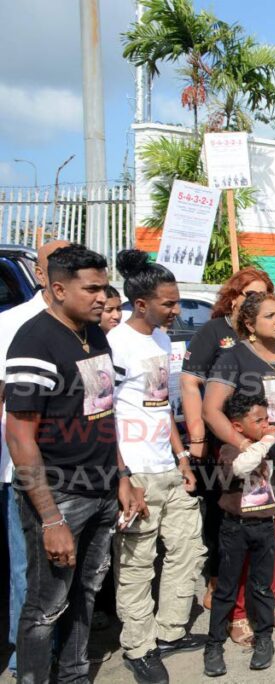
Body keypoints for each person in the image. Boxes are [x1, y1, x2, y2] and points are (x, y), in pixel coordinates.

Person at [5, 244, 145, 683]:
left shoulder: (94, 333)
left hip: (103, 489)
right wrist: (50, 520)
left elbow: (105, 413)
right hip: (59, 495)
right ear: (59, 288)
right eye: (92, 289)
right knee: (45, 607)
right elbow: (19, 436)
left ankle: (74, 674)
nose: (103, 297)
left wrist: (121, 475)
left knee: (86, 592)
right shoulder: (34, 340)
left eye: (105, 287)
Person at [108, 250, 207, 683]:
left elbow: (161, 405)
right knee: (136, 563)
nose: (177, 310)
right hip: (136, 473)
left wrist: (182, 455)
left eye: (177, 301)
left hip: (167, 468)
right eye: (169, 303)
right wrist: (123, 475)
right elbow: (101, 414)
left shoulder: (164, 340)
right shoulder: (113, 344)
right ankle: (139, 646)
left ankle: (168, 632)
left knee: (188, 549)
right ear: (142, 304)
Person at [203, 292, 275, 640]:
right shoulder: (233, 358)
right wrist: (244, 446)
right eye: (269, 316)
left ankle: (266, 607)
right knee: (243, 539)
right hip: (251, 467)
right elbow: (211, 409)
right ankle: (237, 613)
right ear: (250, 326)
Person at [181, 267, 275, 613]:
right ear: (233, 297)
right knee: (222, 513)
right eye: (250, 294)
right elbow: (191, 384)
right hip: (222, 437)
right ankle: (217, 579)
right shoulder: (214, 331)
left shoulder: (267, 332)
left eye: (264, 294)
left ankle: (257, 585)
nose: (257, 300)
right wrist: (197, 434)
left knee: (258, 508)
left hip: (259, 437)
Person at [0, 238, 68, 677]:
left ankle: (60, 655)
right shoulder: (12, 325)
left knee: (69, 571)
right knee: (29, 572)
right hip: (26, 471)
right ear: (40, 275)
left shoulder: (89, 327)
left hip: (82, 469)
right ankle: (28, 660)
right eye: (55, 265)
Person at [202, 392, 275, 677]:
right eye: (258, 420)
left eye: (267, 419)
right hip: (234, 528)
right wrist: (267, 441)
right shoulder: (230, 449)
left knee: (261, 587)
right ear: (237, 426)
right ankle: (213, 645)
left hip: (263, 527)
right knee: (225, 589)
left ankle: (264, 638)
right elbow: (241, 467)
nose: (266, 424)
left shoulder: (267, 445)